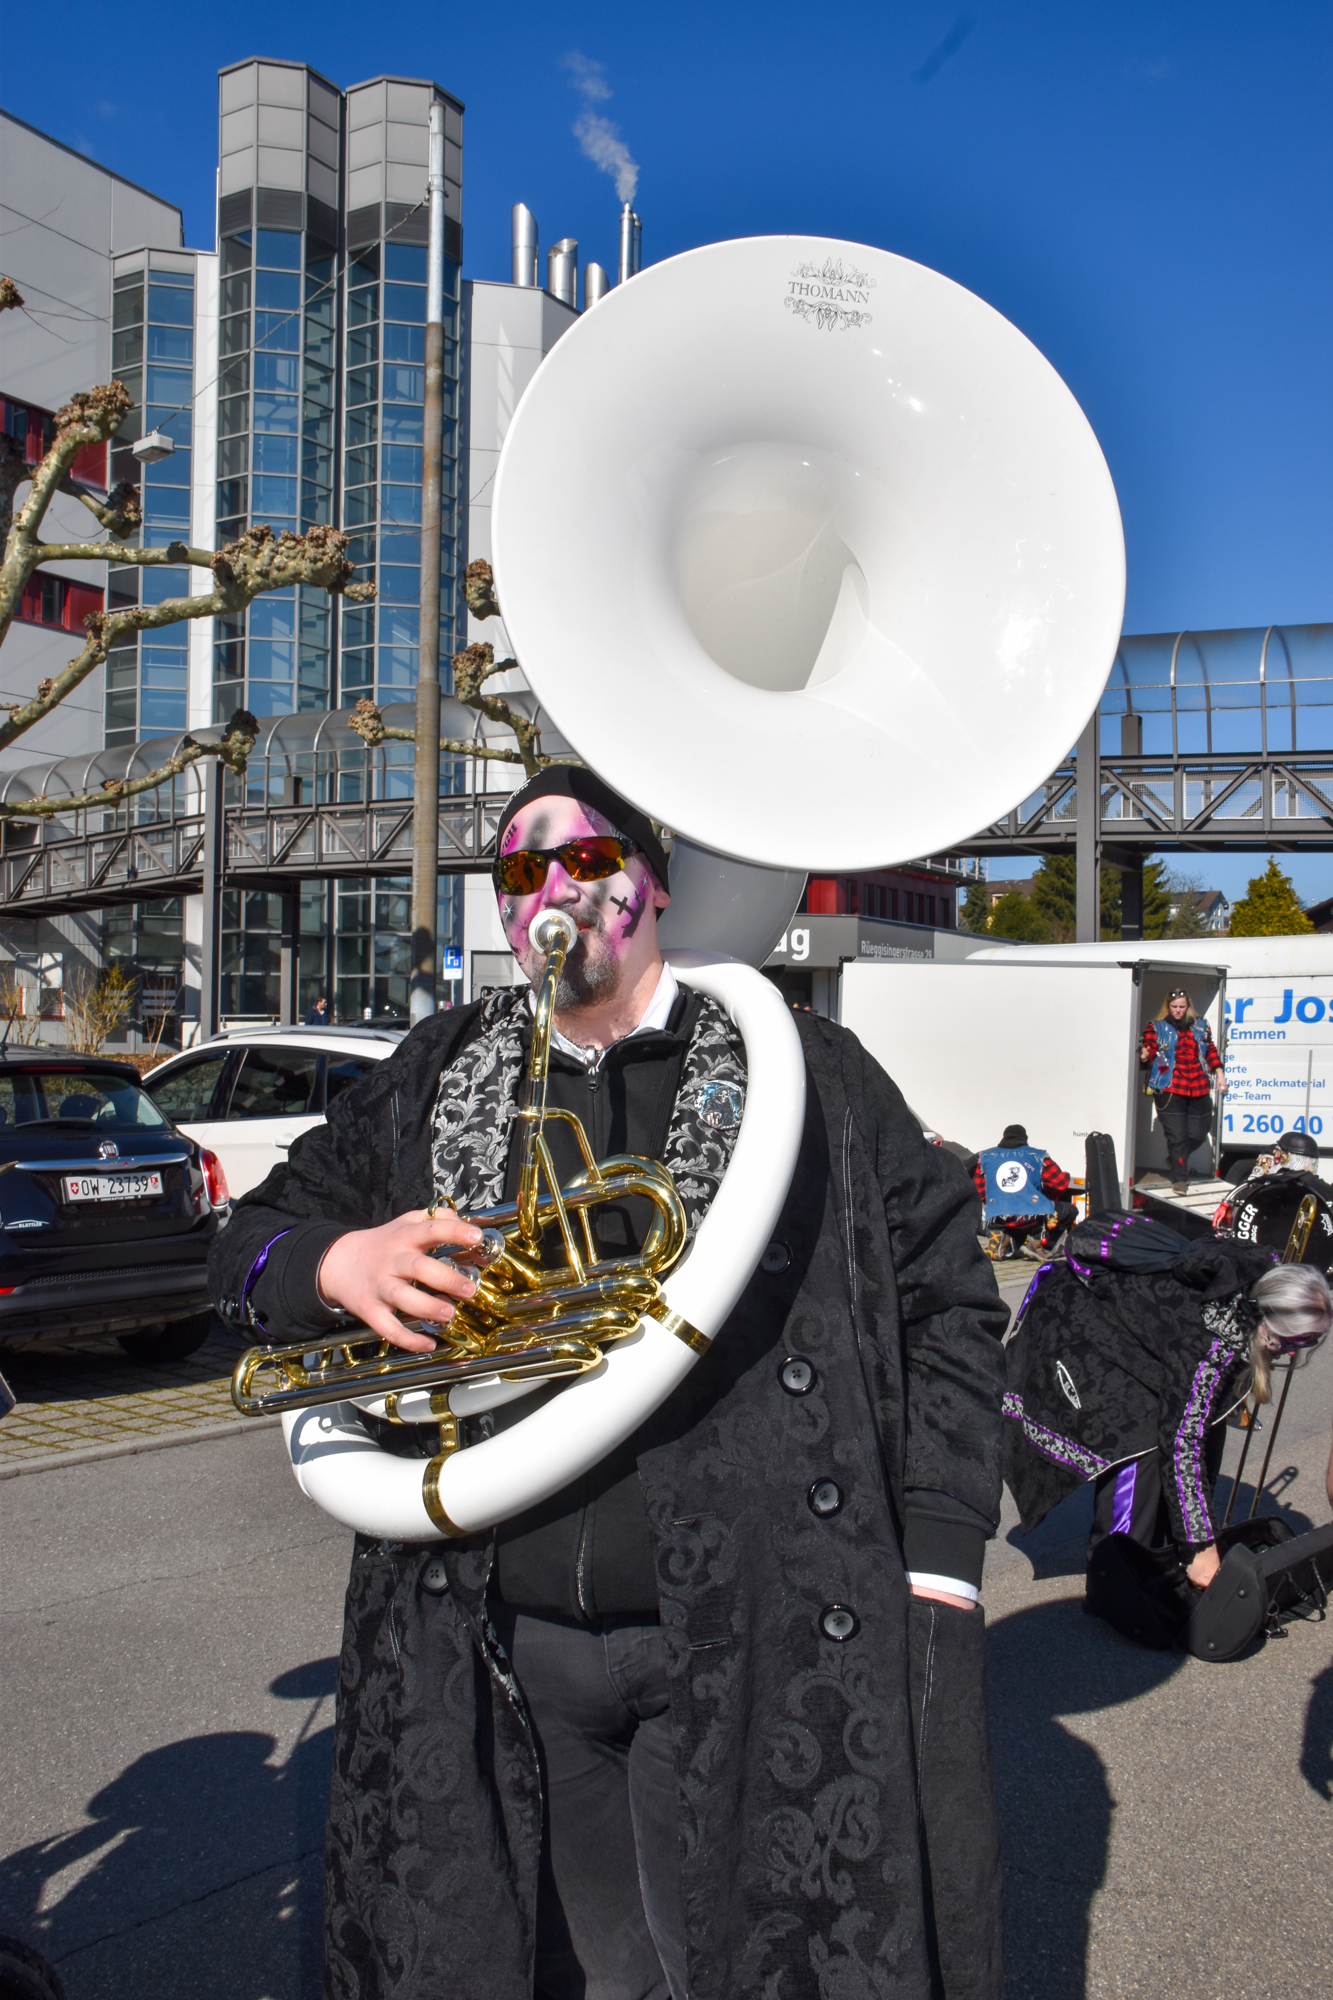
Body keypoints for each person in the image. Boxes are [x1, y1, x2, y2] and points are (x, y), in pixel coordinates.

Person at [210, 765, 1009, 2000]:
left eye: (583, 860)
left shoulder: (808, 1073)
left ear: (654, 879)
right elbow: (247, 1238)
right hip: (499, 1636)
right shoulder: (437, 1068)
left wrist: (943, 1549)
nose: (552, 891)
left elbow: (949, 1295)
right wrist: (336, 1256)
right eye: (520, 872)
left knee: (749, 1960)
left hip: (755, 1632)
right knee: (579, 1973)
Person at [1003, 1214, 1331, 1613]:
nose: (1295, 1352)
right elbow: (1182, 1443)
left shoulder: (1263, 1286)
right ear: (1266, 1318)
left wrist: (1198, 1533)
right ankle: (1115, 1569)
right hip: (1079, 1325)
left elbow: (1199, 1421)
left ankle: (1172, 1544)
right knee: (1135, 1439)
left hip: (1139, 1326)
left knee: (1203, 1416)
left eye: (1310, 1342)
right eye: (1292, 1340)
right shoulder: (1213, 1338)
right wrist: (1201, 1547)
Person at [1139, 988, 1226, 1194]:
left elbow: (1210, 1049)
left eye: (1181, 1007)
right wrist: (1144, 1056)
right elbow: (1149, 1050)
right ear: (1168, 1007)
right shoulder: (1156, 1027)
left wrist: (1220, 1073)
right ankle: (1180, 1179)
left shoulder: (1200, 1025)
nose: (1178, 1011)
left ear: (1188, 1007)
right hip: (1169, 1087)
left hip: (1197, 1085)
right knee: (1177, 1137)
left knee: (1199, 1133)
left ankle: (1176, 1158)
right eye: (1174, 1007)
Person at [972, 1123, 1077, 1262]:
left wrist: (1001, 1201)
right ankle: (1038, 1244)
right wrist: (1044, 1196)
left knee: (998, 1215)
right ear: (1025, 1139)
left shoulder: (985, 1157)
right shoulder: (1038, 1156)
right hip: (1031, 1219)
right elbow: (1059, 1184)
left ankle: (1001, 1237)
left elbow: (978, 1191)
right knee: (1069, 1210)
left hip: (997, 1218)